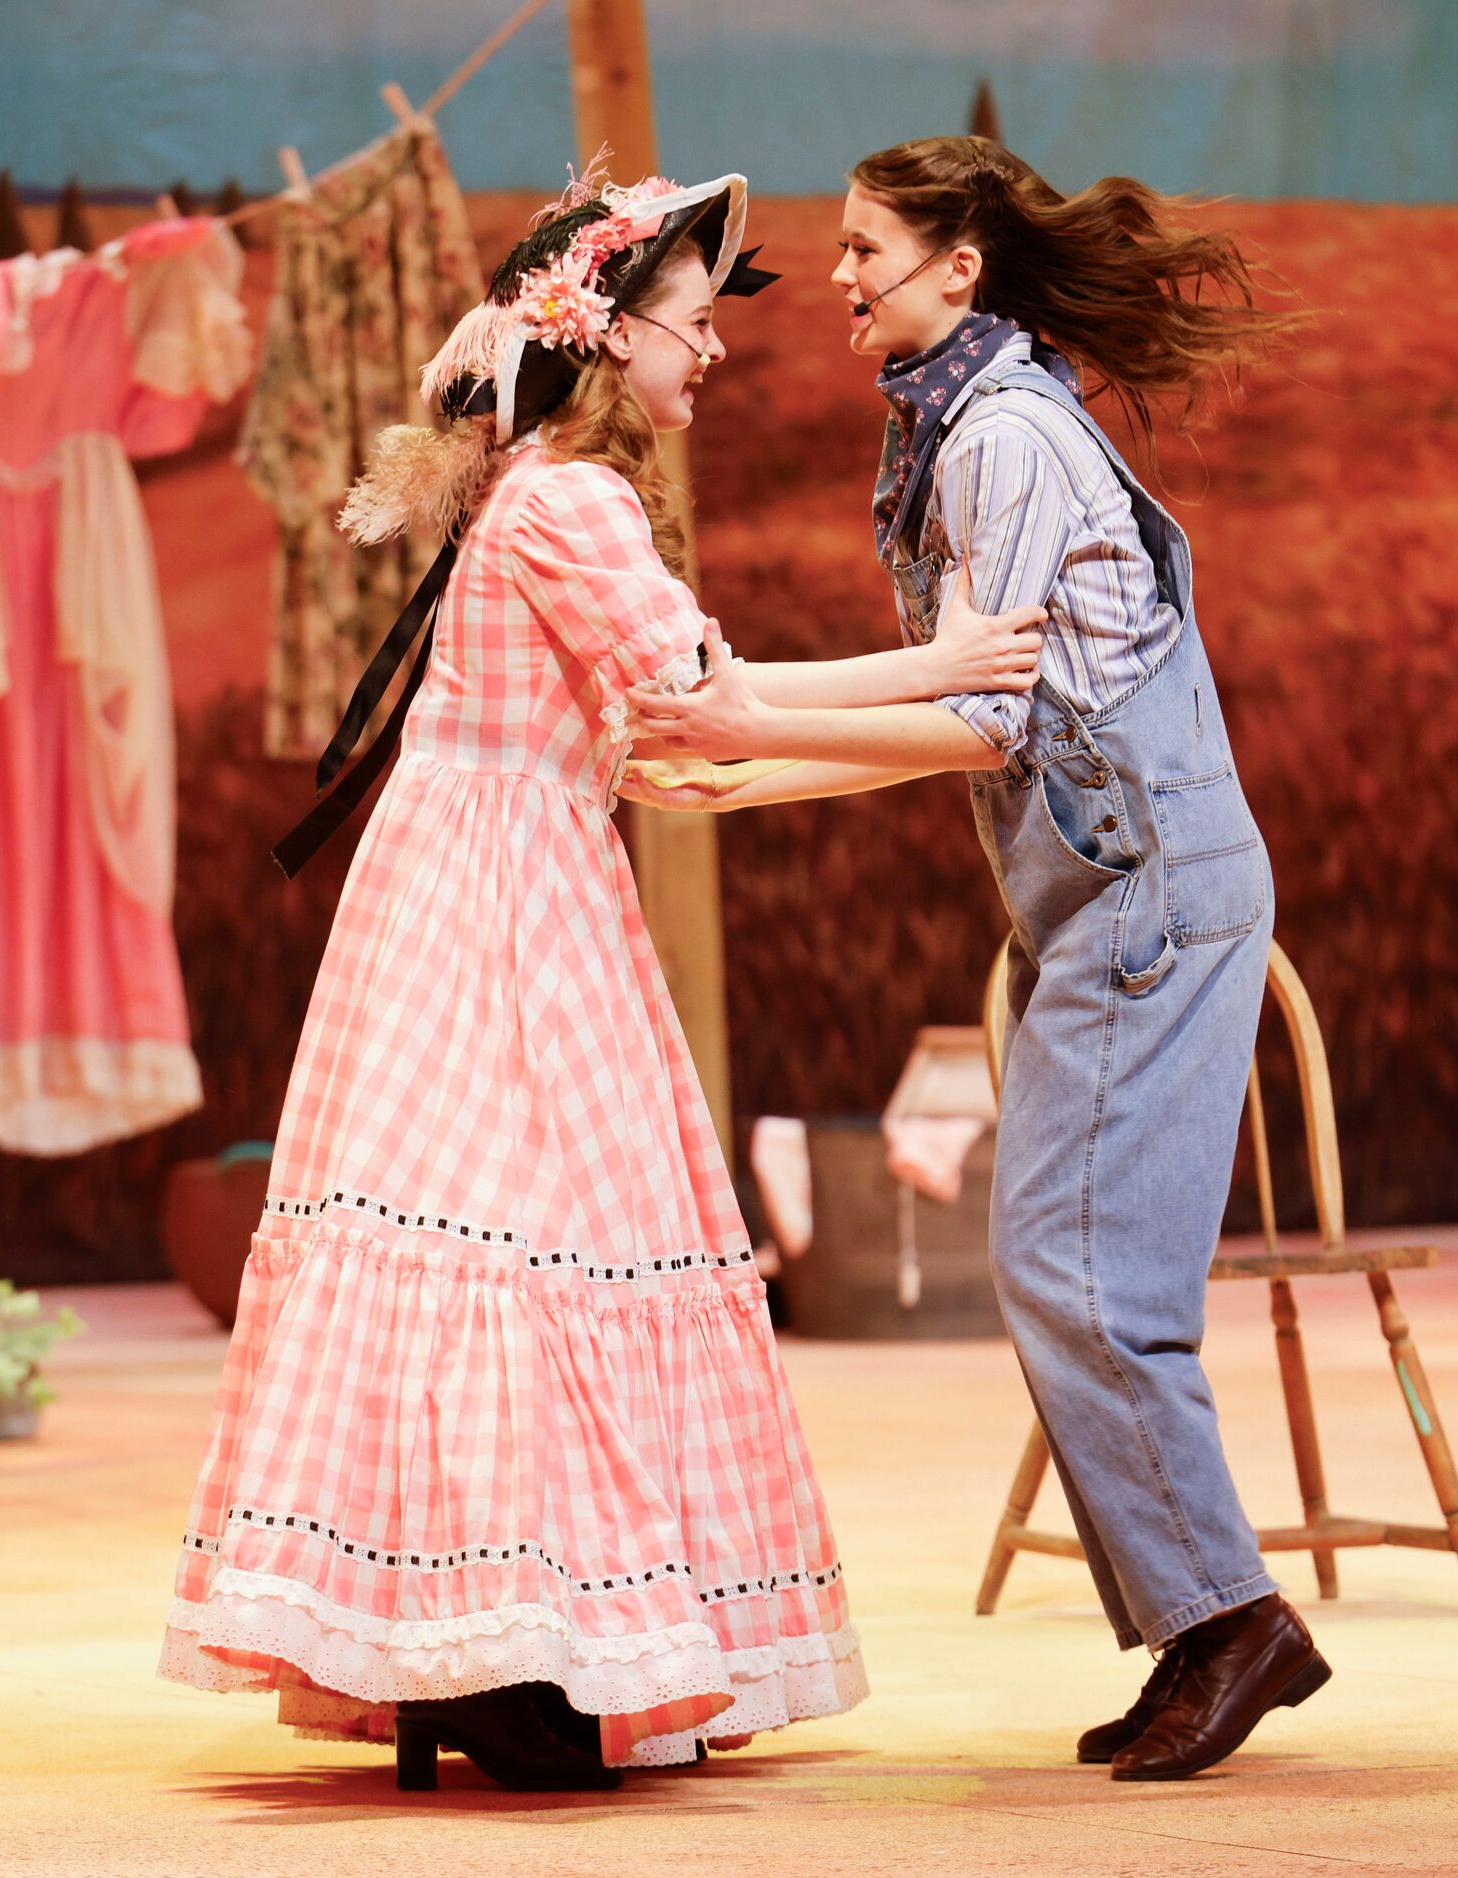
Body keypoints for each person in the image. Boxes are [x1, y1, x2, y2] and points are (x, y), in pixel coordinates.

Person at [157, 164, 1044, 1793]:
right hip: (494, 902)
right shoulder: (570, 496)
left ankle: (514, 1642)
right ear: (609, 333)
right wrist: (943, 666)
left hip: (510, 870)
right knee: (506, 1253)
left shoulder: (543, 490)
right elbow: (700, 701)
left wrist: (851, 736)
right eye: (695, 327)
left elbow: (652, 736)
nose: (712, 354)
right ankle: (493, 1647)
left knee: (535, 1250)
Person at [627, 136, 1331, 1783]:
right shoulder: (966, 423)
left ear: (962, 268)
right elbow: (976, 723)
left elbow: (983, 713)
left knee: (1079, 1272)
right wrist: (741, 774)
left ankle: (1228, 1623)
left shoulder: (1002, 435)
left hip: (1149, 893)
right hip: (1111, 897)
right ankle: (1205, 1622)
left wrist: (748, 717)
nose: (843, 274)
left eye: (870, 247)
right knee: (1069, 1268)